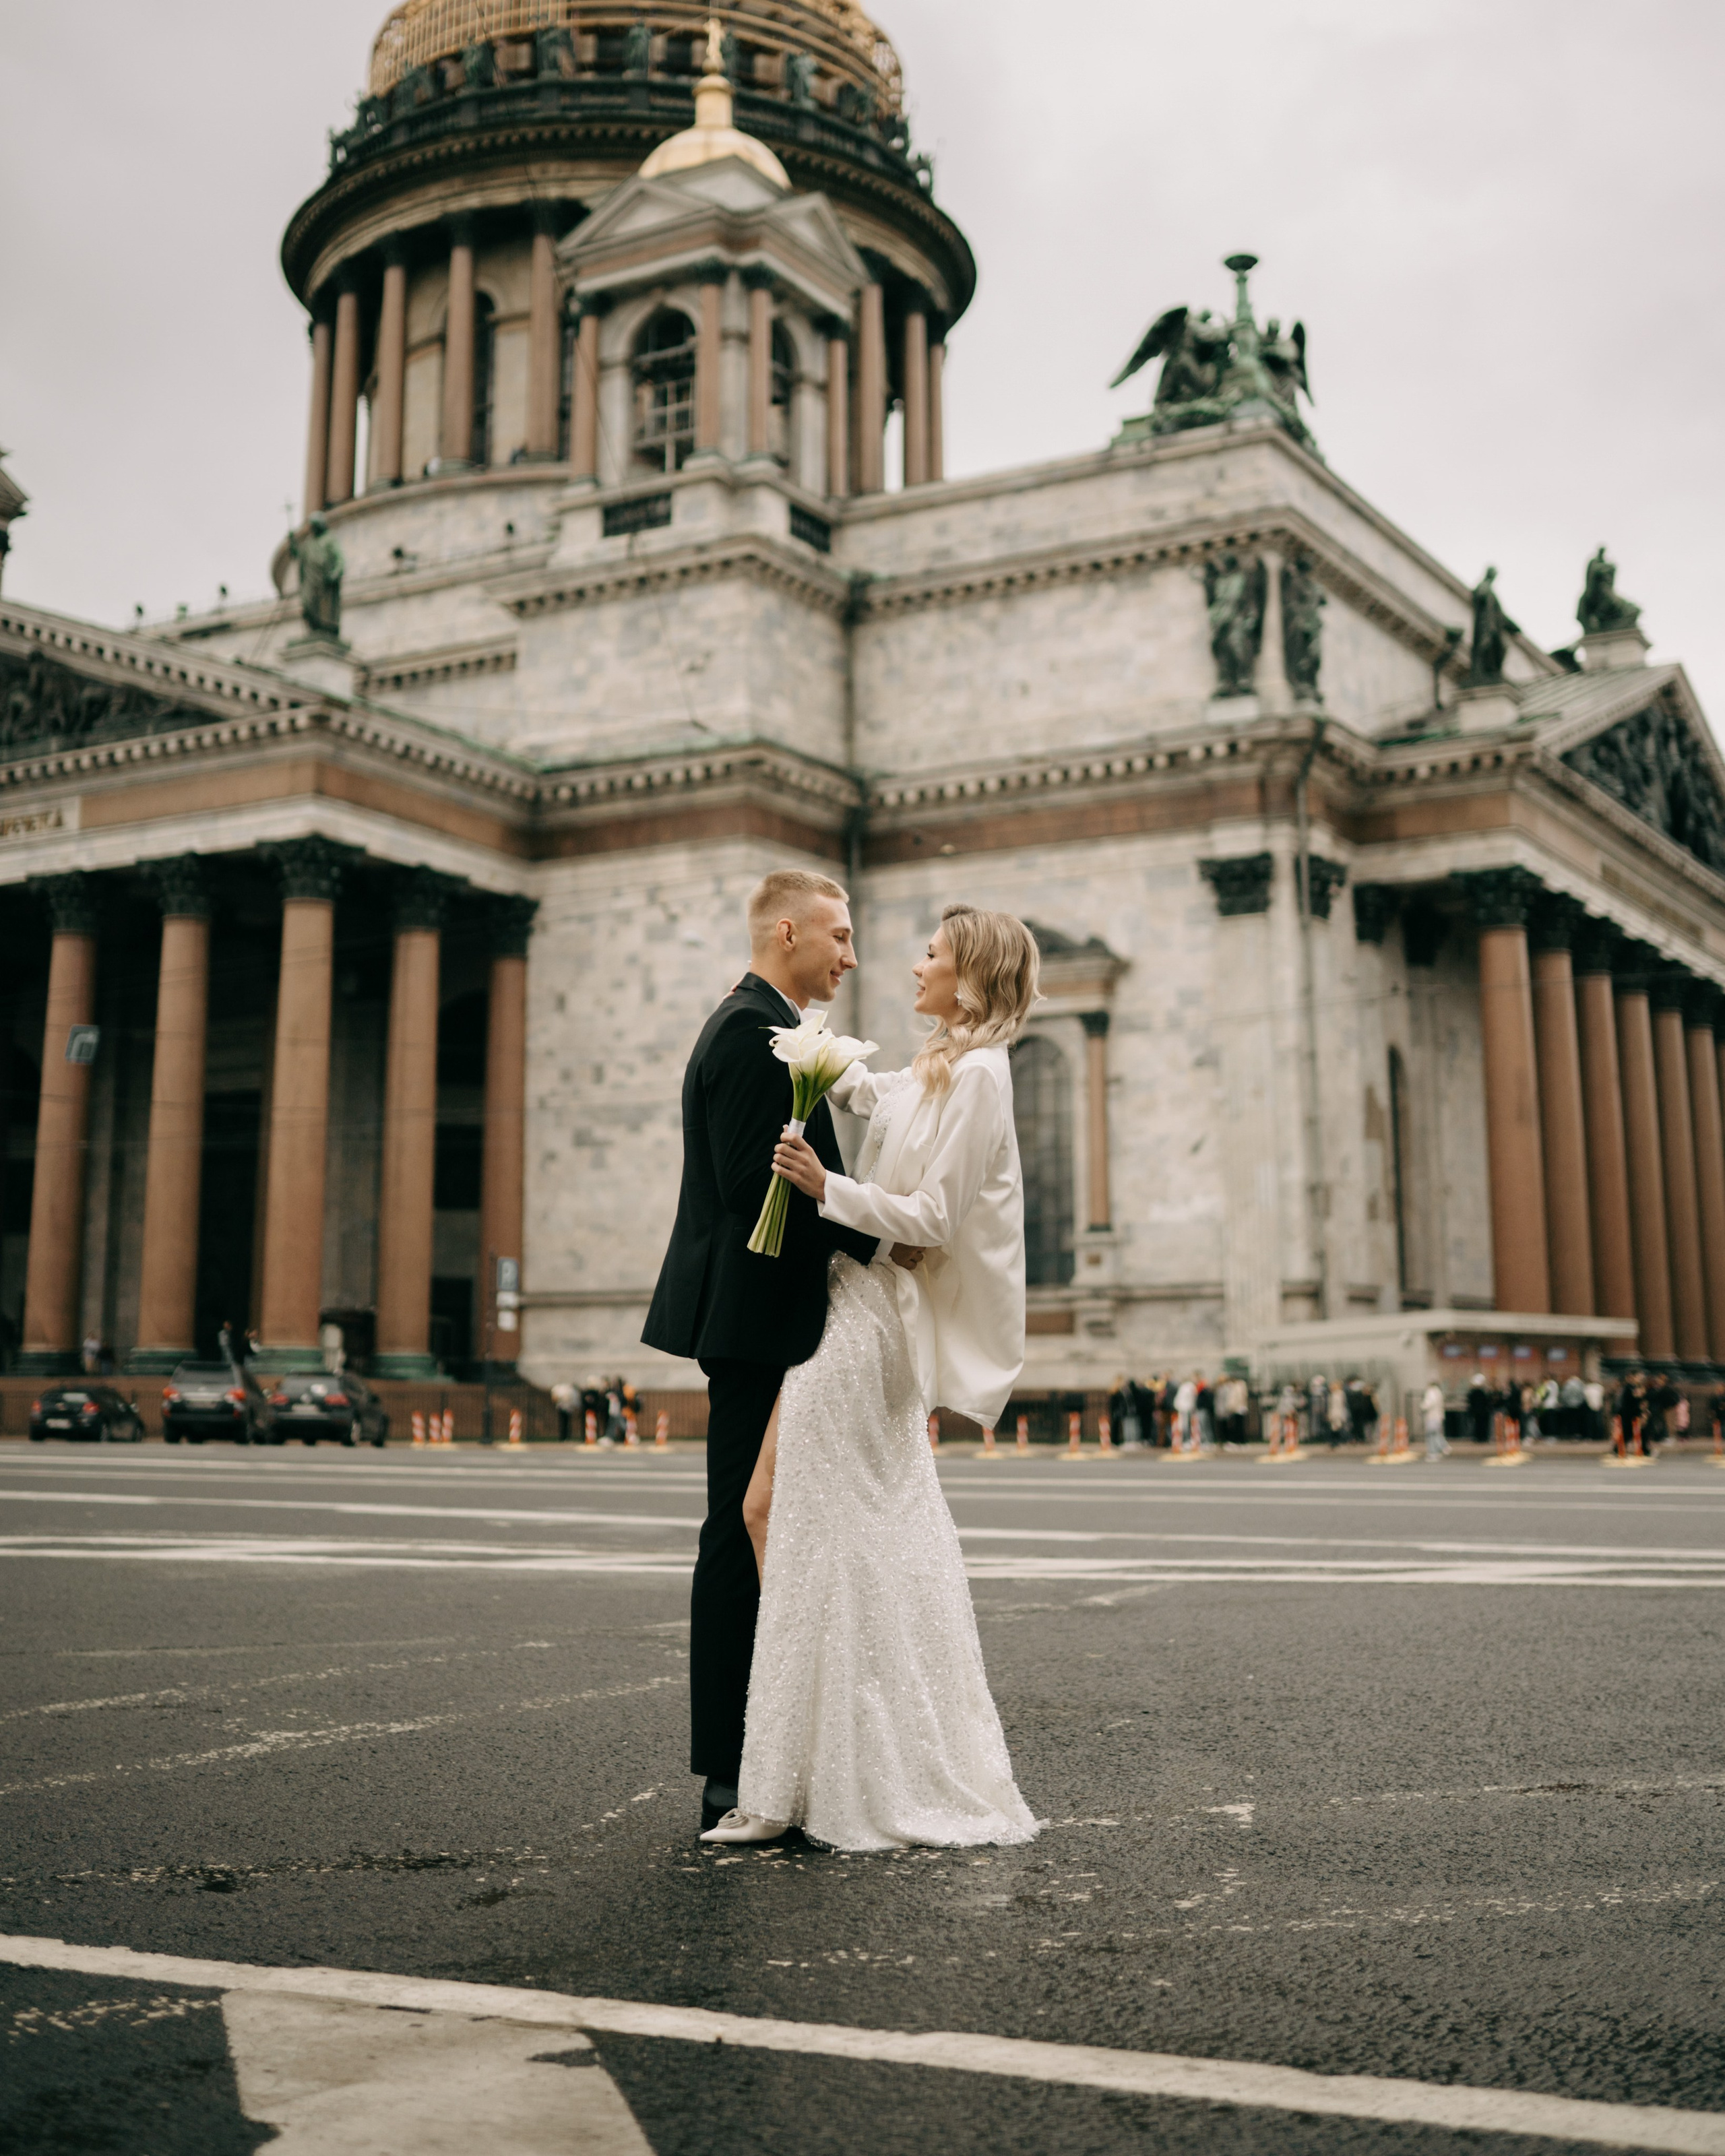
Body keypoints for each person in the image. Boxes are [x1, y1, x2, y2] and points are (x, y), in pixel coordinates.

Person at [706, 903, 1042, 1851]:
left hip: (870, 1319)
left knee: (792, 1515)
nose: (914, 968)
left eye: (931, 956)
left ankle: (794, 1783)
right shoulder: (938, 1067)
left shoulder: (981, 1076)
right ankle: (802, 1770)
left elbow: (933, 1215)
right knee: (787, 1512)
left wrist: (827, 1190)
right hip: (848, 1305)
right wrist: (783, 1019)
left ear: (969, 976)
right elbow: (861, 1090)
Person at [642, 869, 894, 1837]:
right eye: (838, 935)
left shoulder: (760, 1024)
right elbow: (764, 1187)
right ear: (785, 931)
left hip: (756, 1316)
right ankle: (729, 1767)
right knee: (737, 1536)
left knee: (757, 1531)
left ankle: (757, 1754)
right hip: (758, 1321)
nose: (851, 954)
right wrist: (879, 1239)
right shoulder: (756, 1035)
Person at [1421, 1378, 1449, 1459]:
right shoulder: (1438, 1392)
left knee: (1431, 1435)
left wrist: (1423, 1406)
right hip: (1438, 1416)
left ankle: (1439, 1448)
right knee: (1436, 1433)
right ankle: (1439, 1449)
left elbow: (1429, 1403)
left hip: (1432, 1416)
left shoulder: (1431, 1392)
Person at [1466, 1372, 1493, 1446]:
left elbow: (1470, 1402)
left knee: (1477, 1425)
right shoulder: (1483, 1393)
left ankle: (1478, 1437)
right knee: (1483, 1426)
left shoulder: (1472, 1393)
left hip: (1476, 1412)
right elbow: (1488, 1402)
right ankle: (1483, 1438)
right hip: (1483, 1412)